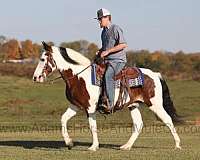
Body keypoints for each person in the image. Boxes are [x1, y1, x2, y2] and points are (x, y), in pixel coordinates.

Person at [94, 8, 128, 112]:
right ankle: (100, 100)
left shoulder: (115, 28)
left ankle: (110, 104)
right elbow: (106, 48)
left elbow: (123, 44)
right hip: (107, 61)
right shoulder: (103, 32)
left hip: (118, 60)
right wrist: (100, 51)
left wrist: (108, 52)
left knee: (108, 76)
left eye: (100, 19)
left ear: (107, 18)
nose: (99, 21)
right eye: (98, 19)